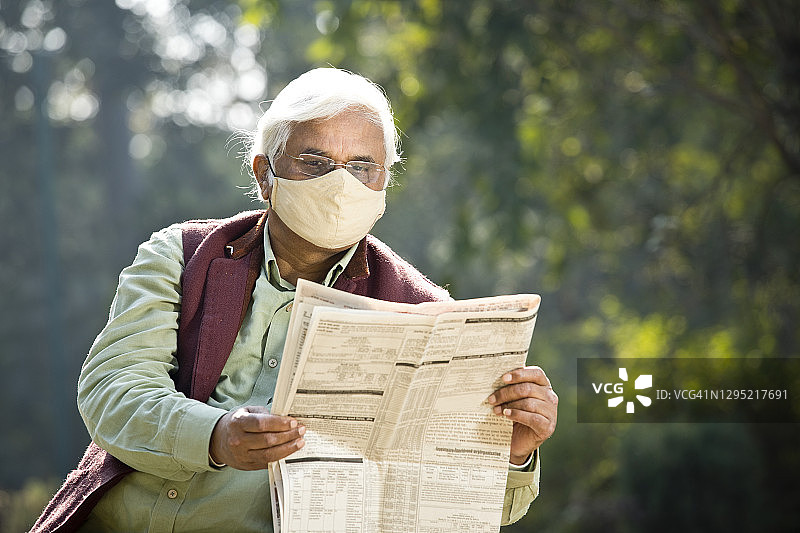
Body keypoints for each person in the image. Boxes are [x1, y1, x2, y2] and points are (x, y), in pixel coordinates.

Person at [33, 68, 558, 532]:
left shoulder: (422, 312)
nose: (340, 184)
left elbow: (456, 506)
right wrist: (215, 436)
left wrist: (507, 453)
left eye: (362, 166)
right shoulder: (182, 255)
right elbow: (113, 391)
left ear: (383, 185)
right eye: (314, 161)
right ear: (265, 174)